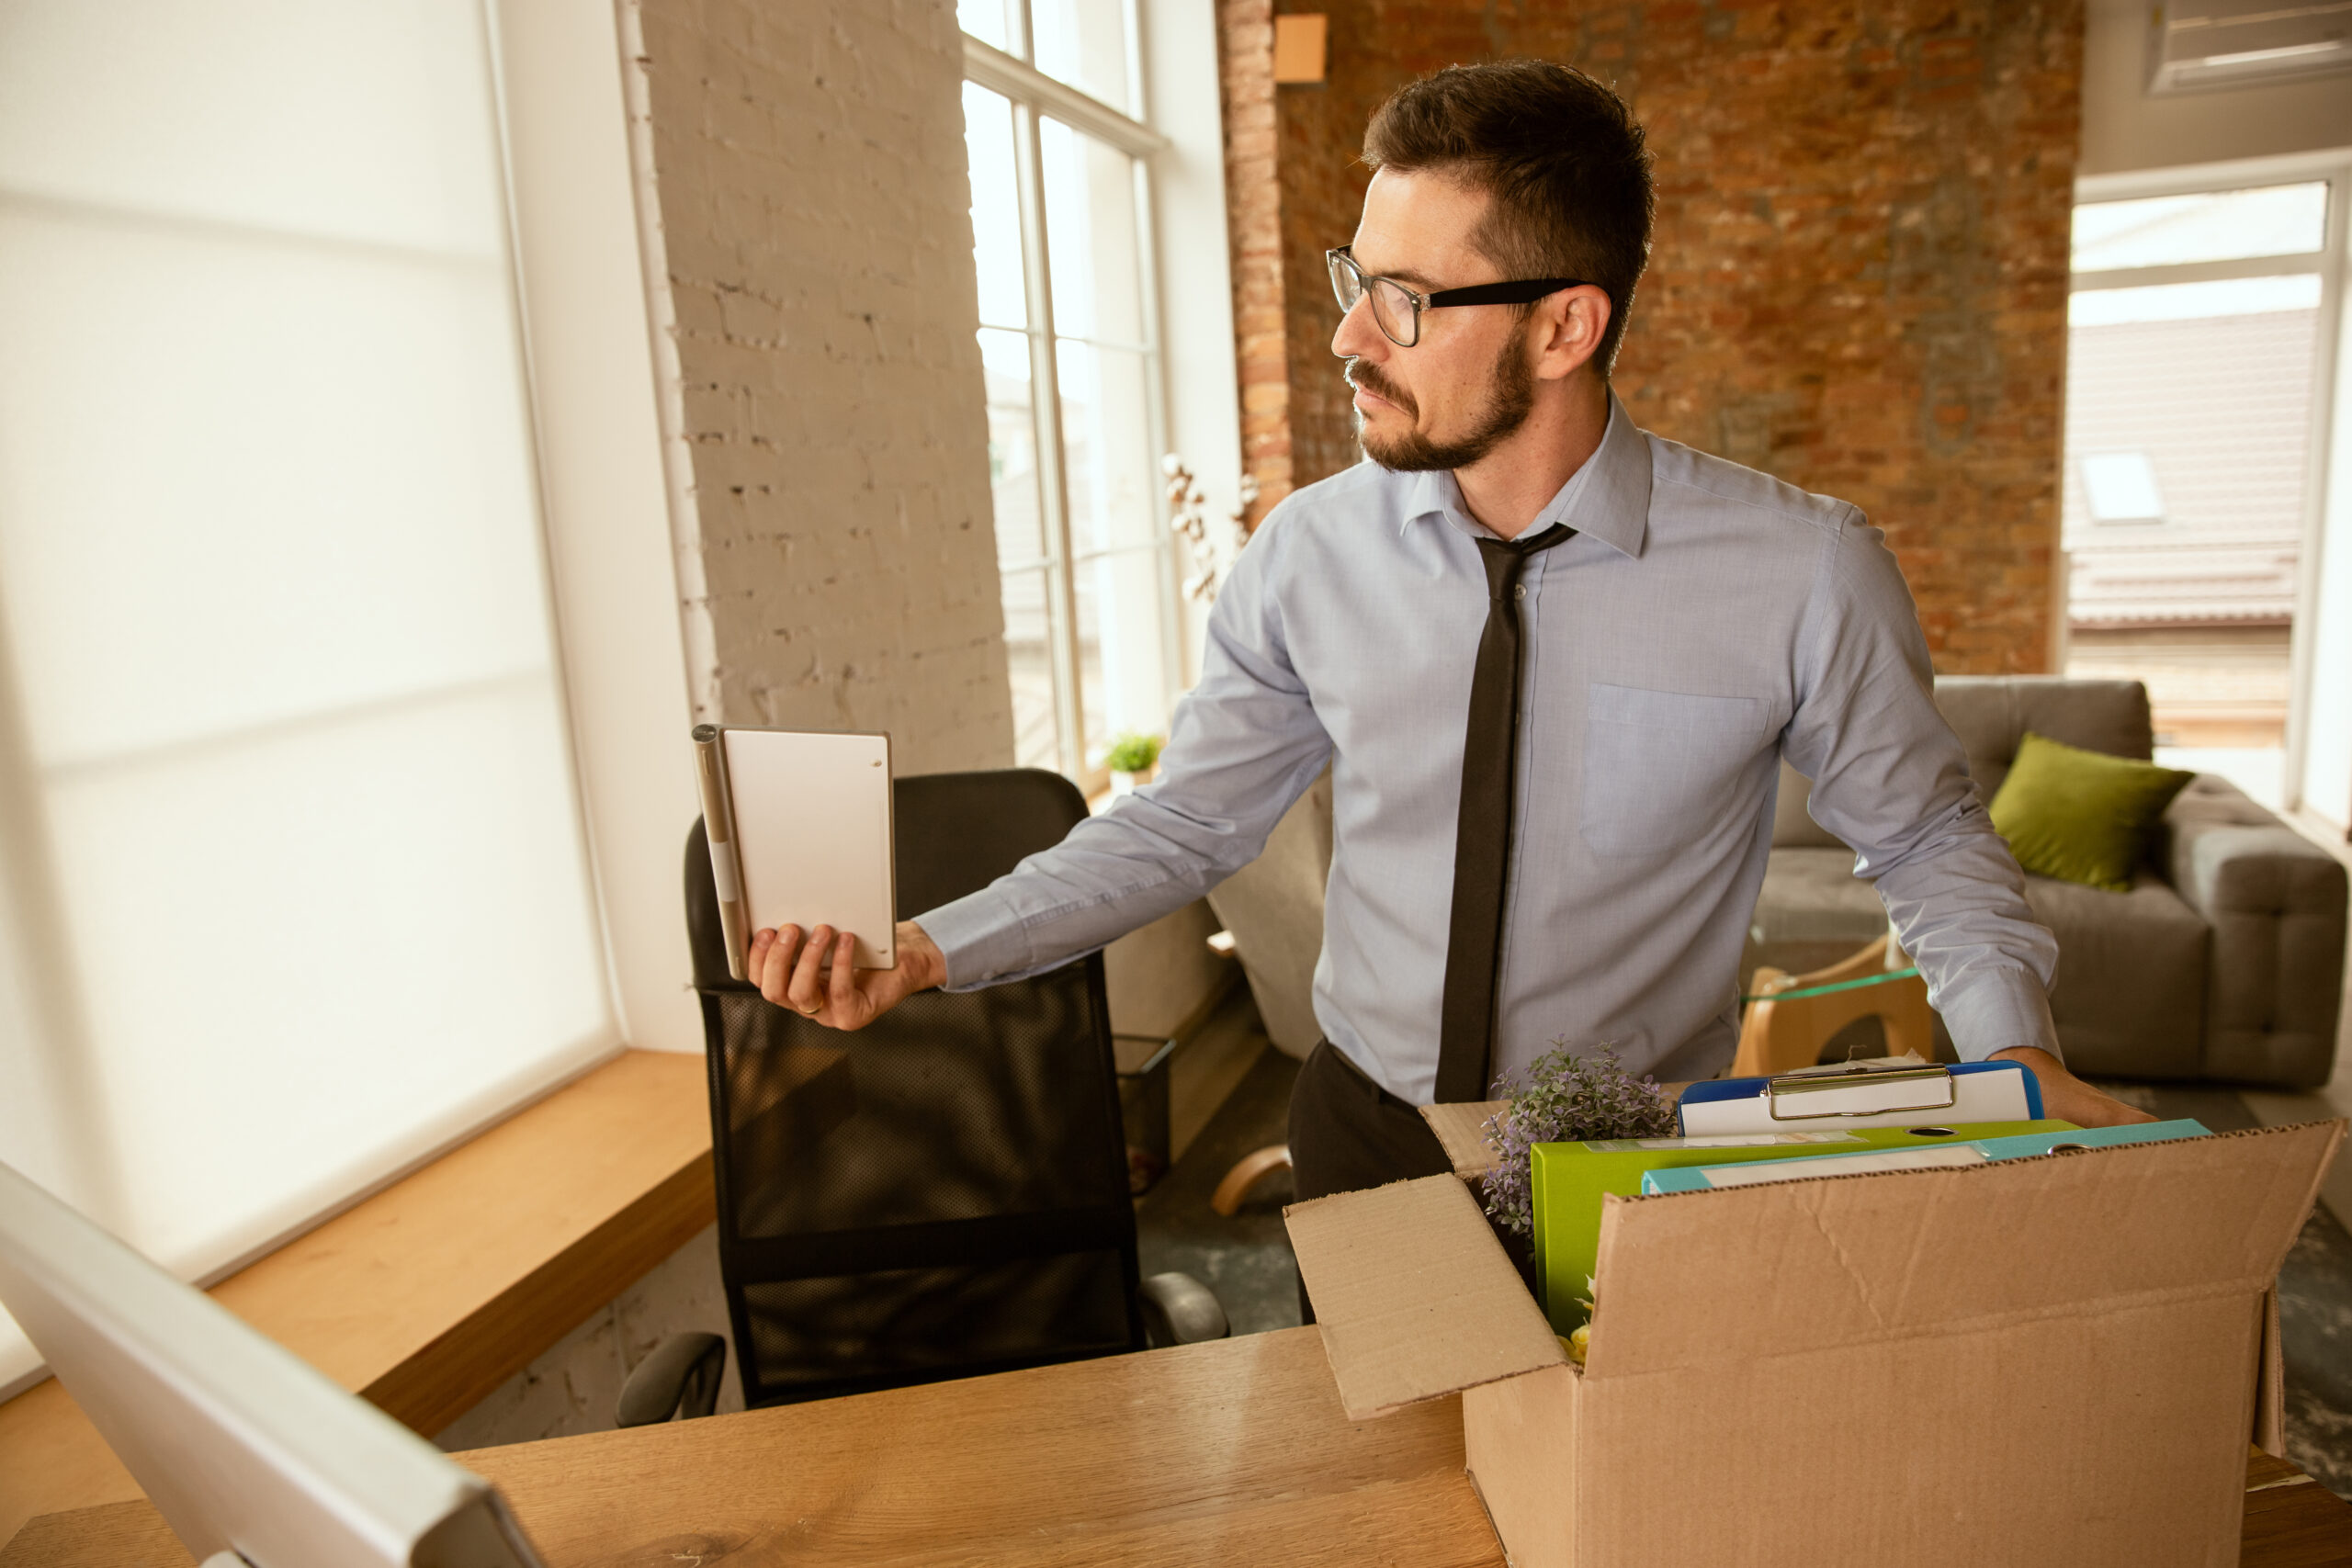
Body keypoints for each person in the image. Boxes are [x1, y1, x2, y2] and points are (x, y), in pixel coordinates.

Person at [747, 59, 2153, 1218]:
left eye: (1406, 301)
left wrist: (2011, 1063)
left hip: (1627, 1159)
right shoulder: (1306, 555)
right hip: (1363, 1132)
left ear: (1565, 325)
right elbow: (1184, 827)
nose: (1354, 335)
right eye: (1355, 276)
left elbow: (1926, 841)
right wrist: (936, 946)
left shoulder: (1804, 572)